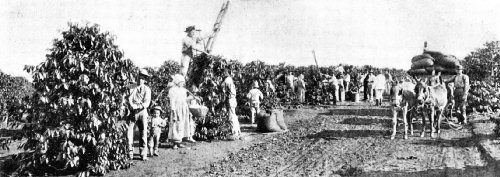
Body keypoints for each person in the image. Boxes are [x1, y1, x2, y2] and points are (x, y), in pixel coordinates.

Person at [127, 69, 152, 161]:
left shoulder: (147, 89)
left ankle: (143, 154)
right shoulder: (131, 87)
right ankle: (130, 153)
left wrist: (138, 106)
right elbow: (128, 98)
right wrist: (132, 106)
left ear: (145, 79)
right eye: (139, 77)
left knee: (143, 132)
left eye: (142, 78)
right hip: (132, 111)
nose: (140, 80)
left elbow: (147, 103)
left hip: (142, 111)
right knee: (130, 132)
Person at [168, 74, 197, 149]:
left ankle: (179, 142)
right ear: (177, 82)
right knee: (176, 125)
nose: (182, 84)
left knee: (182, 125)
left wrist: (192, 98)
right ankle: (174, 143)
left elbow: (185, 99)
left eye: (183, 82)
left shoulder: (183, 90)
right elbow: (172, 102)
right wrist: (174, 112)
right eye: (181, 82)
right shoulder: (172, 90)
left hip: (183, 109)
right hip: (177, 109)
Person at [223, 70, 241, 139]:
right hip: (233, 99)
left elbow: (222, 87)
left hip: (230, 99)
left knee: (231, 116)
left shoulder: (227, 80)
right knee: (234, 115)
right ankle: (237, 131)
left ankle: (234, 133)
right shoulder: (230, 79)